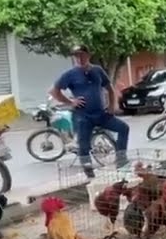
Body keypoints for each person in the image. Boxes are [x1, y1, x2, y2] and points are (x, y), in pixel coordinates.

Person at [50, 45, 130, 177]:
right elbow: (54, 91)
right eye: (76, 56)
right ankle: (89, 174)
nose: (79, 58)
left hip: (100, 113)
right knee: (83, 145)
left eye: (82, 55)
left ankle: (121, 160)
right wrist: (71, 102)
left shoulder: (97, 70)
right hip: (83, 116)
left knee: (123, 128)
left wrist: (111, 106)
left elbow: (109, 88)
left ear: (88, 55)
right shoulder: (70, 75)